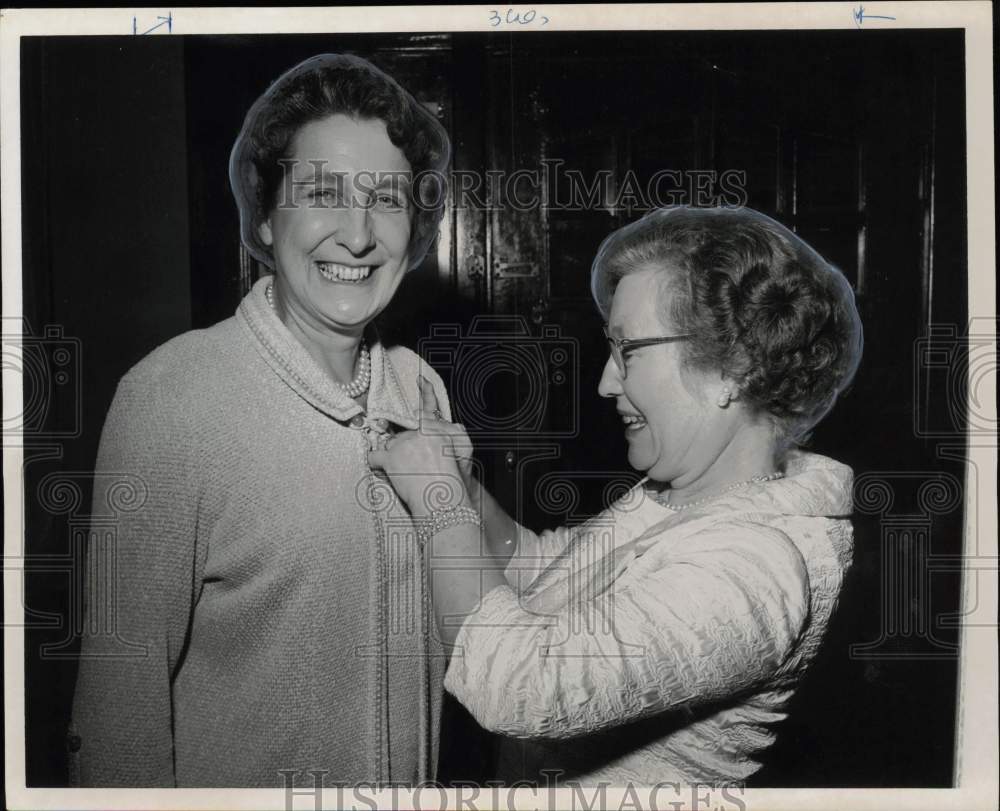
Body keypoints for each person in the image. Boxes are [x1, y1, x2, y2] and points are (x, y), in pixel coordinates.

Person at [369, 205, 864, 785]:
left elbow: (516, 683)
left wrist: (437, 499)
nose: (606, 381)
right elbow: (542, 576)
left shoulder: (756, 568)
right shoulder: (683, 496)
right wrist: (462, 483)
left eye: (628, 351)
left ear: (734, 368)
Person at [70, 53, 451, 787]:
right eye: (321, 193)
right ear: (266, 215)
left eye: (388, 197)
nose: (359, 234)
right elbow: (119, 714)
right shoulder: (168, 401)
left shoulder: (421, 388)